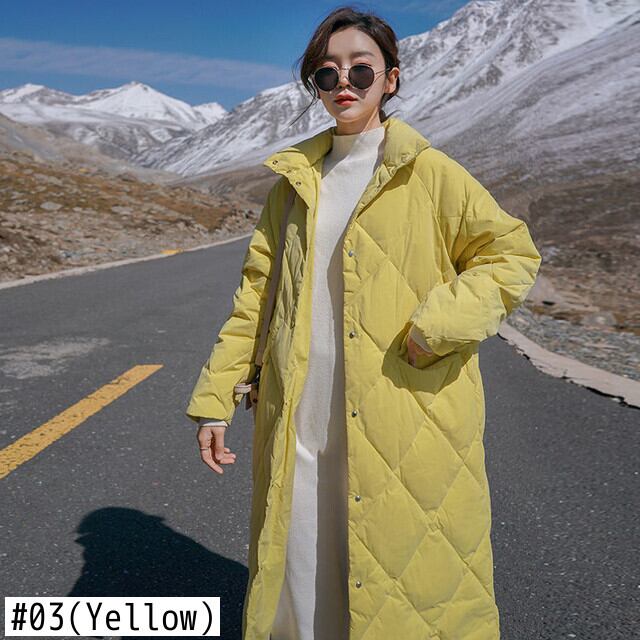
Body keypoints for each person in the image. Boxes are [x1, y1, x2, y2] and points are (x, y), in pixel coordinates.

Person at [186, 6, 541, 640]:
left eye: (360, 68)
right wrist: (215, 401)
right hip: (299, 411)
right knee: (301, 573)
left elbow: (511, 256)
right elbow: (255, 299)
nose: (342, 82)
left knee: (402, 574)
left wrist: (435, 327)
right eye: (326, 73)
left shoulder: (429, 172)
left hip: (401, 408)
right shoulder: (290, 186)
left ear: (391, 79)